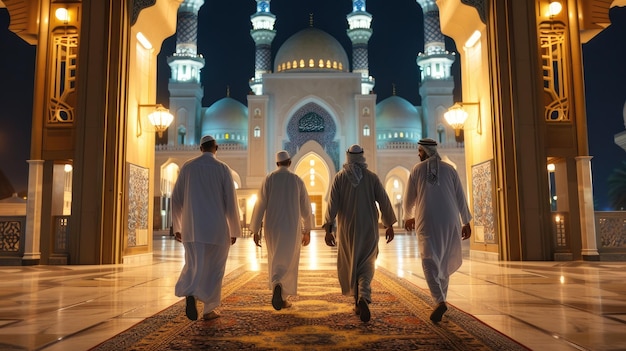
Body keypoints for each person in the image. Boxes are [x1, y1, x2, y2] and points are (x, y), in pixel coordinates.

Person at [171, 135, 242, 321]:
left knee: (193, 264)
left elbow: (176, 199)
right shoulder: (223, 169)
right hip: (217, 230)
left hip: (192, 228)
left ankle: (191, 293)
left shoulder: (188, 167)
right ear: (216, 148)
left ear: (201, 148)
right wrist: (234, 230)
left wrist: (177, 226)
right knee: (215, 269)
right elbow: (231, 203)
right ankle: (208, 310)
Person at [323, 144, 396, 323]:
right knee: (367, 263)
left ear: (347, 156)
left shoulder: (340, 178)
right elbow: (384, 201)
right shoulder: (371, 177)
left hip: (347, 229)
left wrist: (328, 229)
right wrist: (389, 224)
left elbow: (332, 205)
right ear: (363, 156)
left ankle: (358, 300)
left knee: (351, 263)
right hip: (368, 227)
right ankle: (363, 296)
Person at [402, 138, 472, 323]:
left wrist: (407, 216)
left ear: (425, 150)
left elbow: (409, 198)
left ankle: (440, 301)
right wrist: (466, 221)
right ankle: (442, 300)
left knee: (428, 260)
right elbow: (461, 197)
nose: (418, 154)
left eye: (420, 151)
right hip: (450, 221)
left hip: (427, 221)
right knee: (443, 260)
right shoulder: (450, 169)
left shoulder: (417, 170)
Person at [250, 150, 313, 310]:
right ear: (289, 162)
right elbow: (306, 207)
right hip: (292, 227)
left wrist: (255, 229)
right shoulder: (296, 180)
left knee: (275, 256)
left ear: (277, 163)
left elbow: (260, 204)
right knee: (290, 260)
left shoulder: (269, 179)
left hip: (272, 226)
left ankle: (276, 283)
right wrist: (307, 230)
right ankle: (283, 295)